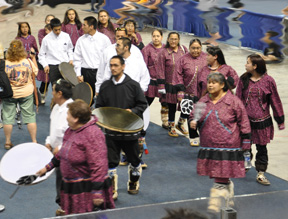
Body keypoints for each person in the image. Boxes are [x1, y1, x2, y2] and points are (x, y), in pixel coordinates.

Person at [37, 99, 115, 215]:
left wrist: (97, 192)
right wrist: (47, 168)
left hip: (87, 191)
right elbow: (64, 151)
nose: (66, 117)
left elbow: (99, 165)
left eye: (68, 114)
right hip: (74, 188)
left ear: (76, 118)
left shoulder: (93, 135)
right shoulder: (71, 130)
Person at [190, 72, 251, 213]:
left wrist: (246, 142)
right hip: (209, 145)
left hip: (229, 145)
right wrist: (193, 121)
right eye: (209, 82)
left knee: (220, 174)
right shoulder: (203, 101)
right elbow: (194, 115)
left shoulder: (234, 101)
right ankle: (227, 188)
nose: (210, 85)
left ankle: (216, 199)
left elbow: (244, 122)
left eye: (214, 82)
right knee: (218, 172)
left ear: (223, 85)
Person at [96, 55, 147, 199]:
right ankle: (112, 189)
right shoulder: (105, 86)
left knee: (135, 161)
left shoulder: (133, 85)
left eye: (116, 65)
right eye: (111, 65)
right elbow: (99, 107)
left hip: (130, 132)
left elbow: (142, 104)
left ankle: (133, 182)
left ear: (123, 66)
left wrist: (132, 112)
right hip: (111, 133)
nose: (113, 68)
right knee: (111, 162)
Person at [236, 54, 285, 186]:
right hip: (246, 123)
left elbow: (275, 101)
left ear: (255, 66)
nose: (245, 65)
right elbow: (238, 100)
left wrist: (280, 119)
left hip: (262, 123)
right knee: (245, 147)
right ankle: (246, 165)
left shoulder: (268, 81)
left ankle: (261, 173)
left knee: (262, 148)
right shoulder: (243, 79)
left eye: (248, 63)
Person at [2, 39, 38, 149]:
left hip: (10, 94)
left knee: (7, 117)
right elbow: (35, 72)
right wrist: (33, 58)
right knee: (29, 117)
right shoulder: (27, 62)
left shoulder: (4, 63)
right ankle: (34, 140)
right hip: (26, 93)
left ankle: (8, 141)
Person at [44, 79, 73, 215]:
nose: (52, 94)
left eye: (53, 91)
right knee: (60, 180)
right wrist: (49, 141)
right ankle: (63, 205)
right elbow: (54, 128)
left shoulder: (72, 110)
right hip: (58, 156)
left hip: (69, 155)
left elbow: (74, 135)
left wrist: (61, 146)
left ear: (60, 93)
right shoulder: (56, 107)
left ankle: (69, 208)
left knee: (68, 182)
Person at [174, 38, 207, 146]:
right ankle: (193, 136)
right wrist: (180, 91)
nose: (195, 50)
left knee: (202, 113)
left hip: (204, 92)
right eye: (193, 48)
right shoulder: (183, 59)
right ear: (189, 48)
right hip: (188, 91)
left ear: (201, 48)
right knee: (190, 113)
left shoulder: (206, 57)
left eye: (198, 48)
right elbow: (177, 74)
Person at [156, 32, 188, 137]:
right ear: (168, 40)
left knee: (186, 105)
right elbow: (160, 69)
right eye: (171, 39)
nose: (173, 41)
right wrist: (161, 85)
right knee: (172, 107)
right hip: (170, 84)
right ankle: (171, 126)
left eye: (175, 39)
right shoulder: (163, 52)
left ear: (178, 40)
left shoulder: (183, 50)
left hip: (182, 84)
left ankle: (180, 123)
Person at [96, 27, 144, 95]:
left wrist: (140, 91)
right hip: (112, 90)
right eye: (118, 36)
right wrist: (98, 89)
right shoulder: (107, 51)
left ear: (127, 37)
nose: (120, 38)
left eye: (122, 36)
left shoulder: (136, 51)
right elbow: (101, 72)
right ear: (115, 37)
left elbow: (144, 74)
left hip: (132, 91)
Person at [73, 16, 111, 99]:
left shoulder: (104, 39)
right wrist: (78, 74)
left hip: (100, 72)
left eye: (84, 25)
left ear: (91, 26)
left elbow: (109, 57)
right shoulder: (80, 40)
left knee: (102, 97)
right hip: (85, 73)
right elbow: (77, 58)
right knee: (86, 98)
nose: (82, 27)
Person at [141, 29, 167, 128]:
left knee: (165, 103)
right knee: (146, 103)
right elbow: (143, 66)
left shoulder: (166, 49)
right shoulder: (146, 49)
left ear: (162, 37)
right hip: (151, 81)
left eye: (158, 36)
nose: (156, 38)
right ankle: (140, 120)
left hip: (163, 82)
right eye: (154, 36)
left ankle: (165, 122)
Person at [38, 18, 73, 85]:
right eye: (55, 30)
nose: (58, 31)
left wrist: (71, 59)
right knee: (55, 87)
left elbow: (70, 49)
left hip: (65, 65)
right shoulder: (46, 39)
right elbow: (41, 55)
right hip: (53, 66)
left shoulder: (66, 36)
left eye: (59, 29)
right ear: (51, 28)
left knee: (67, 87)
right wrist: (45, 65)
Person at [37, 14, 55, 104]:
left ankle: (56, 100)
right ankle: (42, 94)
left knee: (56, 83)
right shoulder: (42, 32)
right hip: (46, 61)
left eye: (52, 20)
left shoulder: (59, 33)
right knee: (46, 81)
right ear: (45, 22)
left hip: (56, 62)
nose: (50, 22)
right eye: (48, 20)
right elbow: (42, 44)